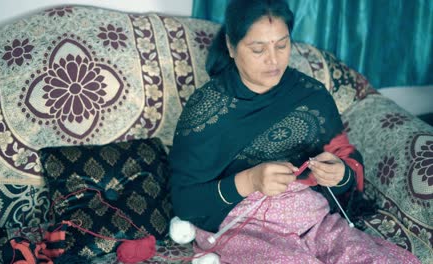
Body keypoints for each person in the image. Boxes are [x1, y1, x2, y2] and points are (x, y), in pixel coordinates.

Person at [168, 0, 420, 263]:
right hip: (245, 228)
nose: (273, 60)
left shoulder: (310, 96)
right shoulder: (206, 110)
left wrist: (339, 172)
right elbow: (187, 202)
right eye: (258, 49)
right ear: (231, 47)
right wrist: (251, 180)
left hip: (313, 219)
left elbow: (347, 166)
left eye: (282, 45)